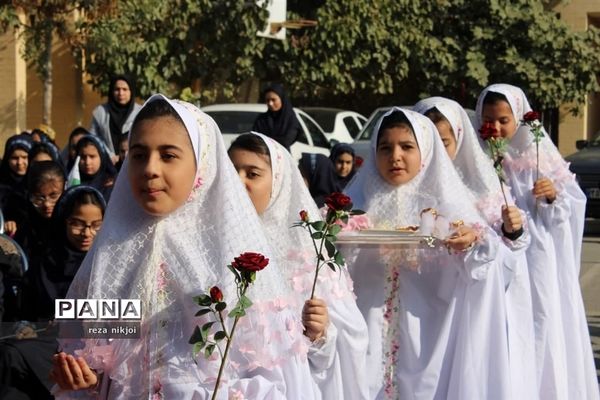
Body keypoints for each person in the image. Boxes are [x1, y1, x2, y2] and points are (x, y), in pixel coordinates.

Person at [51, 95, 322, 399]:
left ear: (201, 163)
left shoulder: (233, 257)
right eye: (139, 155)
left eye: (167, 155)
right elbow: (95, 347)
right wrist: (81, 375)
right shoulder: (114, 249)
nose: (150, 168)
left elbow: (281, 377)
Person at [344, 108, 513, 399]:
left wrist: (473, 241)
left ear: (426, 150)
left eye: (407, 147)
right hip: (369, 329)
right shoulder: (358, 202)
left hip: (429, 332)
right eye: (385, 148)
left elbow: (494, 263)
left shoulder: (448, 203)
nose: (395, 156)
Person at [476, 84, 599, 400]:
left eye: (504, 119)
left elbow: (573, 203)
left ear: (517, 117)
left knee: (538, 322)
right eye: (489, 119)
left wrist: (553, 197)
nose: (497, 127)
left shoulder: (539, 153)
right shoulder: (477, 155)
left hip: (536, 263)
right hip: (496, 260)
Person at [229, 132, 369, 399]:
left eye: (253, 174)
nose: (238, 182)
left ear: (279, 182)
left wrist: (319, 334)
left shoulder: (309, 258)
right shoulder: (208, 242)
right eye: (232, 171)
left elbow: (352, 341)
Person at [414, 96, 537, 398]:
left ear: (458, 140)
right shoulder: (406, 187)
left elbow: (512, 250)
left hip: (477, 307)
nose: (436, 152)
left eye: (443, 142)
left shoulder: (482, 186)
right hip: (422, 313)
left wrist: (511, 230)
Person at [0, 186, 106, 399]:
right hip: (46, 342)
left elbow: (128, 317)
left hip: (93, 347)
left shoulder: (109, 265)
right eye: (77, 223)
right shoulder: (45, 263)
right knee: (9, 353)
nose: (87, 233)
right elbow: (24, 311)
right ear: (63, 219)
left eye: (96, 225)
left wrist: (66, 314)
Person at [89, 75, 141, 158]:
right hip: (108, 164)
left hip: (133, 162)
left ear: (131, 91)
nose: (121, 93)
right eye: (117, 89)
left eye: (124, 89)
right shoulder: (100, 112)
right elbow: (93, 138)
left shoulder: (140, 113)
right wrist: (109, 155)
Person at [252, 83, 301, 150]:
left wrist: (265, 140)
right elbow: (254, 138)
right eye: (267, 100)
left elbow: (287, 141)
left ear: (282, 99)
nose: (270, 103)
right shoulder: (262, 119)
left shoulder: (291, 119)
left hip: (282, 157)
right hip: (262, 156)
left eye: (273, 100)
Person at [75, 135, 117, 202]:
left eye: (92, 156)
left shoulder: (113, 183)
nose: (87, 162)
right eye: (83, 157)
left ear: (102, 157)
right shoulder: (73, 183)